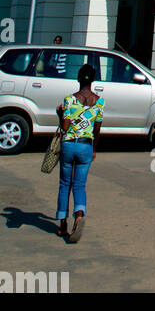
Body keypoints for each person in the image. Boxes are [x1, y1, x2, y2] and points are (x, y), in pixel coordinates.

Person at [55, 63, 104, 242]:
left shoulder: (69, 100)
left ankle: (62, 225)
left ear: (78, 79)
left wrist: (59, 114)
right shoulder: (99, 101)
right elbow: (97, 129)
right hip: (86, 146)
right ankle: (79, 215)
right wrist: (94, 149)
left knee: (64, 184)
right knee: (79, 185)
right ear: (92, 80)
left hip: (69, 145)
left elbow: (65, 126)